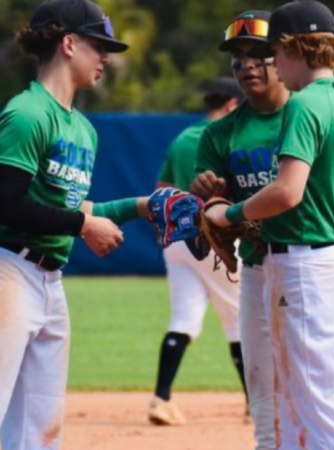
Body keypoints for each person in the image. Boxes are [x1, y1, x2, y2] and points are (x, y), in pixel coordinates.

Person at [190, 9, 334, 449]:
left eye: (263, 52)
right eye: (237, 56)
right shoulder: (227, 132)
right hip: (271, 267)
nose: (248, 64)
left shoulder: (309, 106)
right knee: (275, 397)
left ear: (288, 49)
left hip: (324, 261)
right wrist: (214, 200)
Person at [0, 0, 145, 447]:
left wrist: (140, 205)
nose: (105, 57)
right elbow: (6, 203)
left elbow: (73, 209)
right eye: (98, 45)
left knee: (41, 426)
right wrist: (83, 227)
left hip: (50, 282)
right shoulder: (28, 114)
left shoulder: (83, 129)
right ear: (68, 43)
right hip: (9, 273)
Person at [146, 77, 246, 426]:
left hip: (178, 241)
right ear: (233, 104)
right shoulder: (229, 137)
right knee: (237, 321)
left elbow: (161, 190)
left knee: (184, 320)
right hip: (216, 238)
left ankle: (161, 399)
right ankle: (255, 403)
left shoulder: (183, 138)